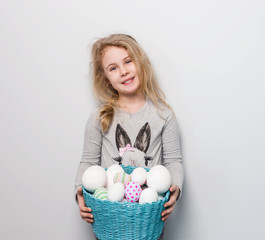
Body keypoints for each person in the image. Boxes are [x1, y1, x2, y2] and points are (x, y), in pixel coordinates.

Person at [74, 34, 184, 228]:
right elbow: (88, 161)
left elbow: (174, 160)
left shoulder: (164, 115)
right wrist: (79, 192)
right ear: (107, 80)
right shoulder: (100, 117)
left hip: (147, 217)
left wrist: (174, 188)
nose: (123, 71)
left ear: (140, 63)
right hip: (110, 215)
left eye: (128, 61)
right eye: (113, 68)